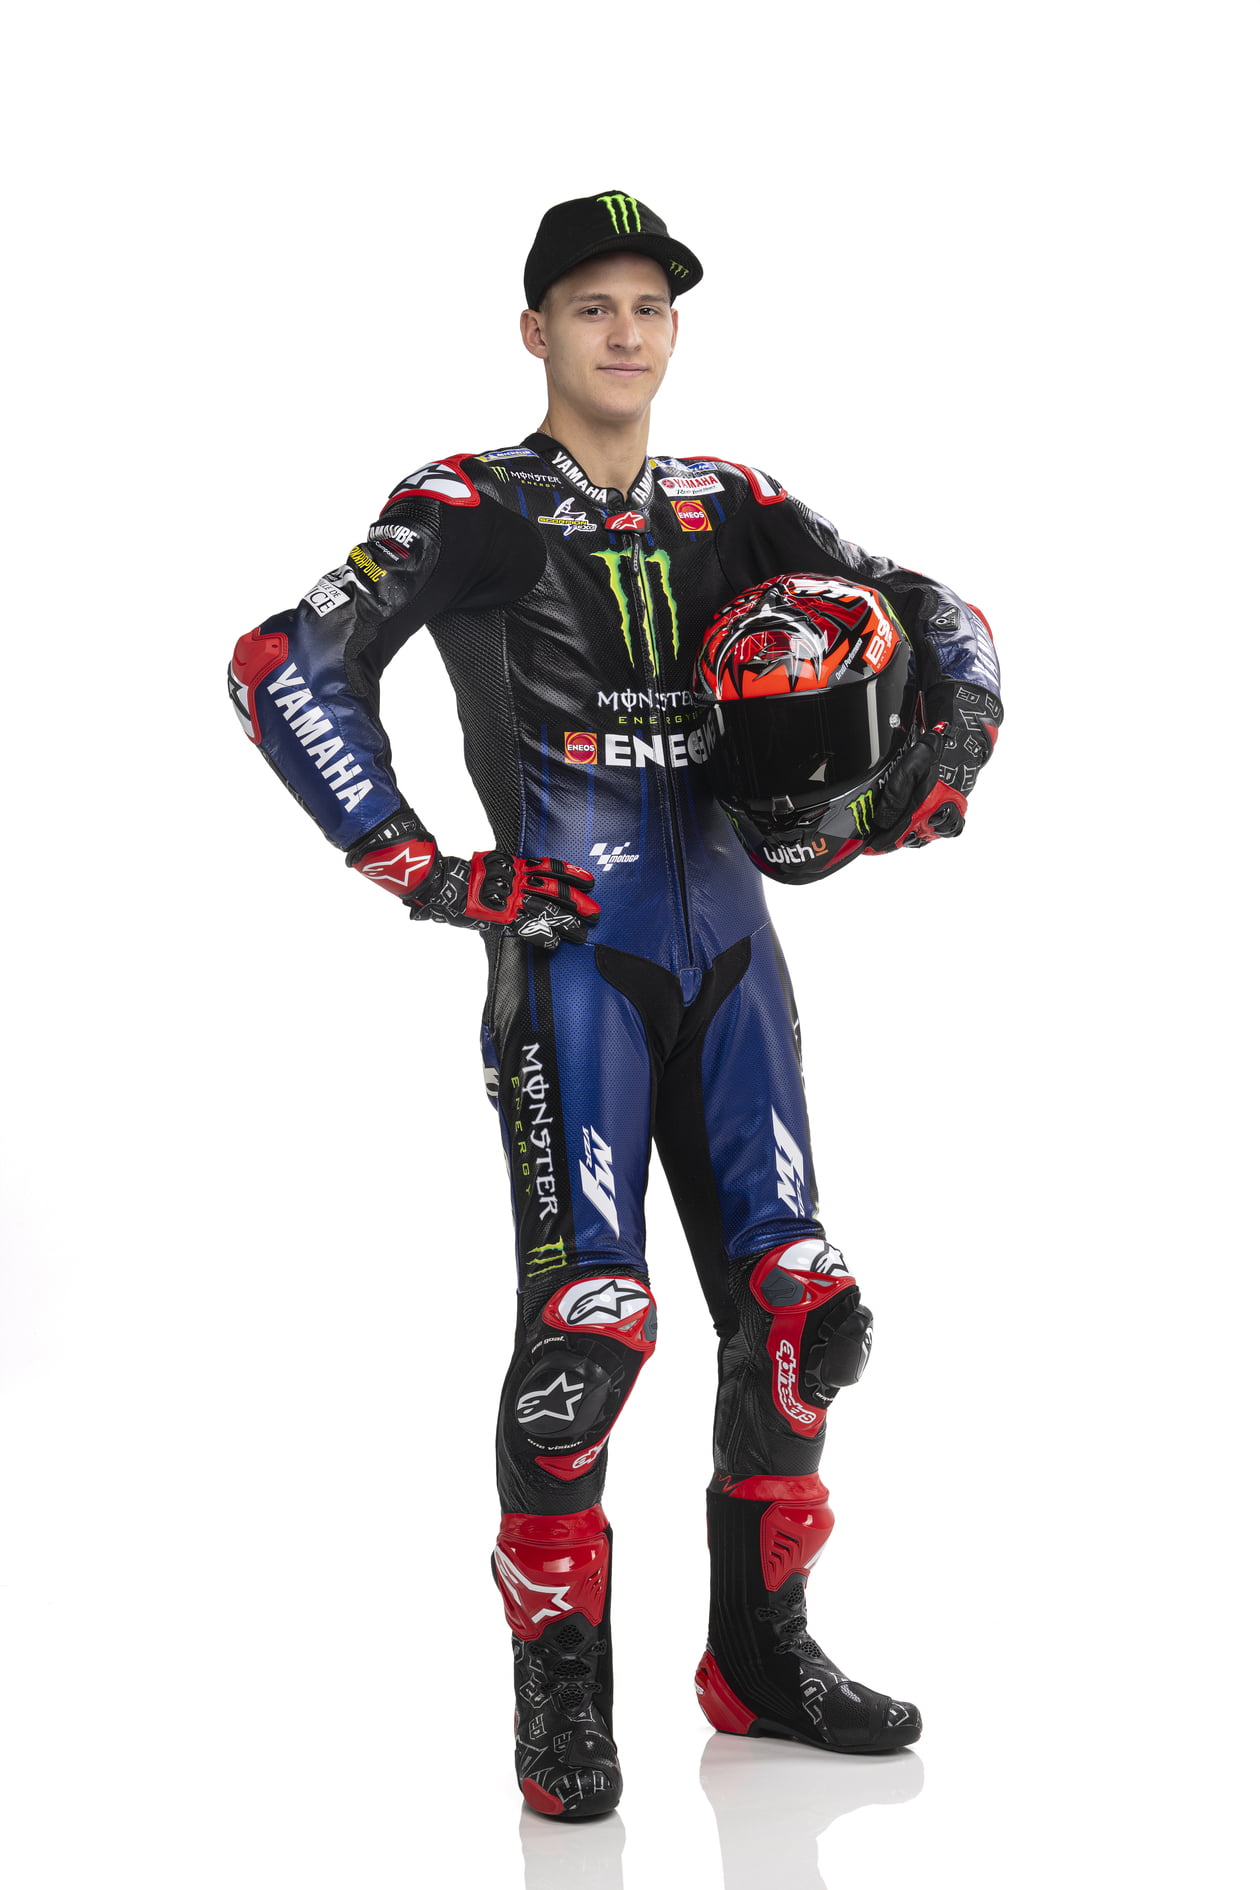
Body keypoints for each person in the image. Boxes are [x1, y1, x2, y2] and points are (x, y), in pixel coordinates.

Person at [229, 190, 1003, 1822]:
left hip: (734, 956)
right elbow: (282, 663)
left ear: (675, 330)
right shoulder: (469, 503)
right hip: (572, 963)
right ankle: (560, 1696)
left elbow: (938, 611)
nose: (626, 332)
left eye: (649, 305)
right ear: (536, 331)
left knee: (800, 1313)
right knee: (589, 1334)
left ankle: (760, 1662)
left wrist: (950, 745)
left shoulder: (737, 502)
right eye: (592, 305)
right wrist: (421, 865)